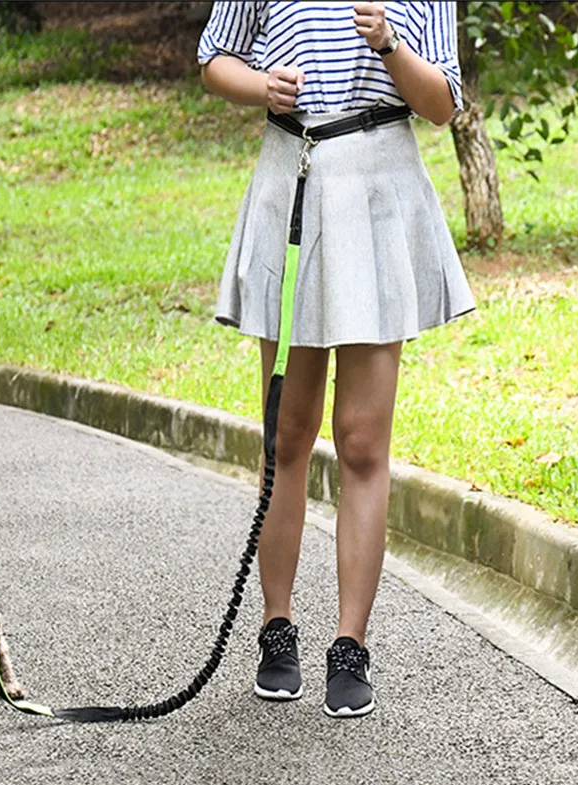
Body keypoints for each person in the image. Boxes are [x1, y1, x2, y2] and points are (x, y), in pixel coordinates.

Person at [197, 1, 475, 718]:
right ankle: (276, 626)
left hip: (380, 188)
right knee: (286, 433)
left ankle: (350, 645)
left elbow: (443, 102)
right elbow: (213, 58)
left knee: (360, 441)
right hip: (291, 178)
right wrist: (261, 87)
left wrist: (388, 45)